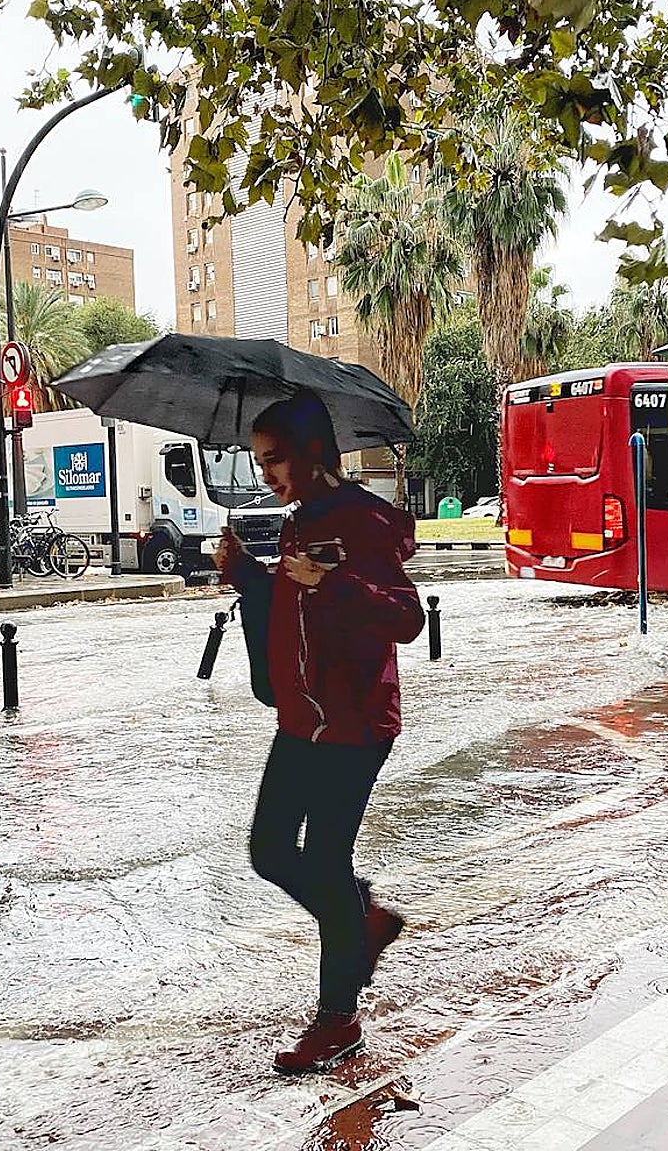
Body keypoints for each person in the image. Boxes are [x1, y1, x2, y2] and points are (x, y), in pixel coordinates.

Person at [214, 389, 424, 1075]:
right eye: (259, 462)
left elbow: (405, 617)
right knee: (271, 851)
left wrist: (331, 585)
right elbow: (291, 609)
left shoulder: (363, 520)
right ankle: (360, 920)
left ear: (310, 452)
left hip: (357, 724)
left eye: (273, 460)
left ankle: (337, 1022)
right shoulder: (300, 521)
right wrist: (244, 572)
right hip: (303, 718)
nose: (266, 474)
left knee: (326, 865)